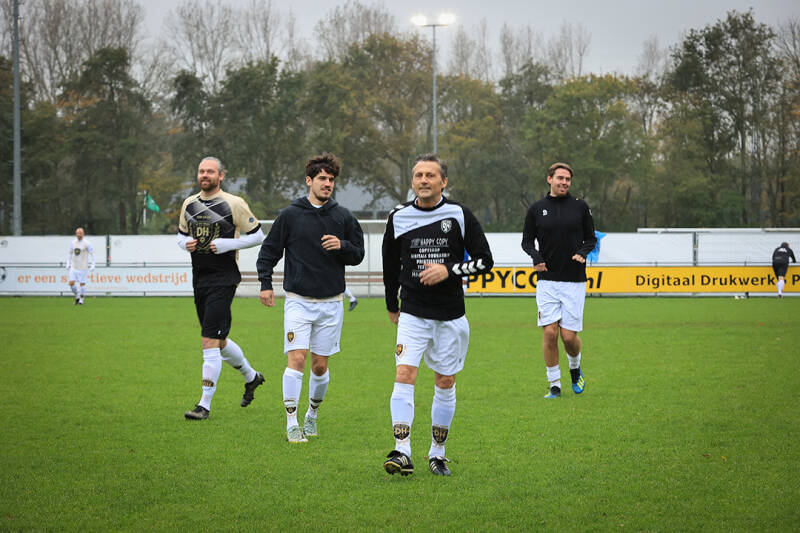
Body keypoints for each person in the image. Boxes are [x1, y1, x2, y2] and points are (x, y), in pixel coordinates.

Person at [381, 153, 493, 477]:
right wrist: (392, 304)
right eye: (418, 175)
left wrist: (449, 270)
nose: (424, 180)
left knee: (445, 380)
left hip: (450, 314)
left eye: (430, 175)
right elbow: (390, 265)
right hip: (413, 312)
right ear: (412, 180)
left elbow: (485, 261)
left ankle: (437, 453)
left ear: (443, 181)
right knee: (404, 374)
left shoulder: (459, 214)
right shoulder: (398, 216)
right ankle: (402, 451)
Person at [257, 153, 365, 443]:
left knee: (320, 366)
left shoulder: (343, 217)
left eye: (331, 179)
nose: (327, 183)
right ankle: (292, 422)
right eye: (322, 178)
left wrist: (342, 245)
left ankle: (312, 415)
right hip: (298, 301)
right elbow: (268, 251)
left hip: (331, 303)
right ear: (309, 181)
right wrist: (265, 284)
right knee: (297, 359)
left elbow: (358, 254)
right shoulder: (290, 215)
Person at [178, 156, 267, 420]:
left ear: (221, 175)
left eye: (210, 171)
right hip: (200, 278)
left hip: (224, 278)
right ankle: (252, 377)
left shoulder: (234, 203)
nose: (205, 175)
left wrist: (229, 244)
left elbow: (258, 236)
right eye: (201, 171)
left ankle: (203, 406)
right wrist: (185, 244)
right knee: (218, 340)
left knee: (208, 341)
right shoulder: (189, 203)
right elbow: (181, 236)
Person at [521, 162, 596, 399]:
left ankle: (575, 367)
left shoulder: (580, 207)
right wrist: (536, 257)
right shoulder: (536, 209)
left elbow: (591, 239)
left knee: (568, 337)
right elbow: (526, 242)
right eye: (560, 178)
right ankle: (554, 384)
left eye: (568, 179)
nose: (564, 182)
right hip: (547, 281)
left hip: (574, 280)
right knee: (550, 333)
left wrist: (582, 253)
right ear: (549, 179)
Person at [66, 227, 95, 305]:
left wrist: (93, 264)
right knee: (71, 283)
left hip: (82, 267)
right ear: (76, 234)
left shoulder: (87, 243)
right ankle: (77, 295)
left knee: (82, 284)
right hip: (74, 267)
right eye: (78, 233)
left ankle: (81, 299)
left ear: (83, 234)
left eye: (80, 233)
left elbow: (92, 253)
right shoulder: (73, 242)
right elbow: (70, 253)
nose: (79, 235)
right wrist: (68, 263)